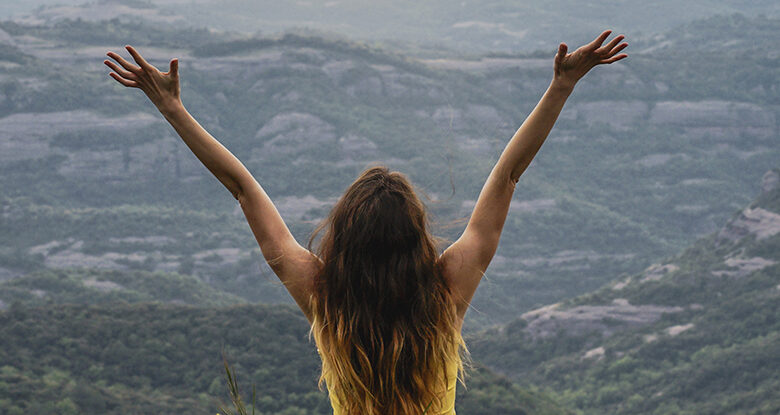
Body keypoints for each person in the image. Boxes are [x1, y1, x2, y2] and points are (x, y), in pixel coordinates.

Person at [104, 29, 627, 415]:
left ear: (345, 239)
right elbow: (508, 175)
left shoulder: (323, 298)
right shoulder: (446, 295)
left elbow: (243, 189)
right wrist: (561, 86)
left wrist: (172, 108)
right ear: (416, 237)